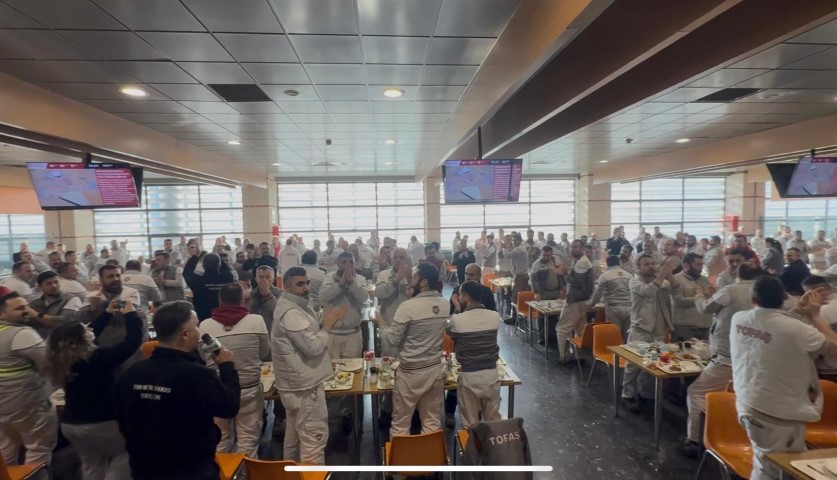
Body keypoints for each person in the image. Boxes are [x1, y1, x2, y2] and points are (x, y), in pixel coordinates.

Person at [114, 301, 240, 480]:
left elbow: (121, 417)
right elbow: (229, 406)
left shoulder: (133, 373)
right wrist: (227, 367)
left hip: (145, 469)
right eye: (196, 326)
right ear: (185, 334)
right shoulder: (197, 375)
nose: (199, 332)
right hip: (192, 469)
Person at [730, 276, 837, 480]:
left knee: (766, 463)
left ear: (753, 300)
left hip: (749, 403)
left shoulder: (739, 319)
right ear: (784, 298)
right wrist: (815, 316)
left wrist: (800, 311)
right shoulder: (797, 330)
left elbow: (775, 324)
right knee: (773, 470)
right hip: (778, 415)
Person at [45, 299, 142, 480]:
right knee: (124, 455)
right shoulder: (98, 358)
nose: (89, 329)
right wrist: (130, 314)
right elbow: (132, 342)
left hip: (70, 423)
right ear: (81, 340)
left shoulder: (62, 360)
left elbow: (87, 332)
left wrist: (107, 313)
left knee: (91, 465)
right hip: (102, 422)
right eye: (86, 330)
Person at [680, 263, 761, 457]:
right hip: (751, 357)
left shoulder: (730, 290)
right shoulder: (760, 292)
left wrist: (699, 294)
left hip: (726, 356)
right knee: (734, 394)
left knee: (696, 392)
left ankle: (695, 440)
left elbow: (704, 308)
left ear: (736, 272)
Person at [271, 267, 346, 464]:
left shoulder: (296, 304)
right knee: (313, 440)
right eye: (300, 284)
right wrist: (327, 327)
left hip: (296, 385)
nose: (306, 288)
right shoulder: (291, 312)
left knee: (294, 437)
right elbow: (312, 347)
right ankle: (311, 475)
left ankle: (292, 476)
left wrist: (323, 321)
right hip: (304, 388)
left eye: (307, 283)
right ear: (287, 287)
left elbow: (306, 335)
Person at [375, 263, 448, 438]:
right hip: (434, 369)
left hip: (410, 372)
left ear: (423, 282)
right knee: (431, 422)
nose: (410, 281)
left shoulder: (406, 307)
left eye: (414, 277)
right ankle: (431, 455)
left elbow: (393, 339)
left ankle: (401, 455)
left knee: (400, 423)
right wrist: (411, 299)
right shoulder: (444, 304)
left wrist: (381, 324)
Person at [200, 284, 270, 458]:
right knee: (248, 439)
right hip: (249, 387)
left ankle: (222, 471)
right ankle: (246, 470)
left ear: (220, 300)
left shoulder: (205, 326)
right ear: (242, 299)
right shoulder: (256, 321)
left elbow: (203, 357)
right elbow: (264, 353)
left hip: (218, 389)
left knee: (221, 440)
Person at [0, 292, 58, 470]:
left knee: (6, 451)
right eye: (19, 308)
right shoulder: (22, 334)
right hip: (27, 405)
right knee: (39, 448)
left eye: (26, 306)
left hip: (4, 408)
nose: (27, 311)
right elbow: (49, 364)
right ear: (2, 314)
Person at [622, 253, 678, 412]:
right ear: (639, 268)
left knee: (653, 364)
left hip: (659, 330)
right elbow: (648, 291)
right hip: (640, 329)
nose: (650, 267)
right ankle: (628, 395)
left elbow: (676, 289)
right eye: (646, 264)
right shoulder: (634, 282)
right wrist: (662, 274)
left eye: (653, 263)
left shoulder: (663, 282)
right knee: (633, 364)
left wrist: (670, 274)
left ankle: (646, 395)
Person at [447, 280, 502, 428]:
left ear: (466, 297)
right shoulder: (494, 316)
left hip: (469, 376)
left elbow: (451, 333)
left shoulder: (457, 319)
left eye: (460, 296)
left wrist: (457, 309)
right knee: (493, 423)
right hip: (491, 375)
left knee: (471, 424)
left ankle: (473, 444)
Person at [556, 240, 594, 365]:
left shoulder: (582, 262)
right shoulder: (580, 261)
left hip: (575, 301)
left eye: (576, 247)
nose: (572, 249)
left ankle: (564, 356)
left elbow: (577, 282)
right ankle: (579, 355)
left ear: (582, 249)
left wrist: (564, 273)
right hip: (583, 300)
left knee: (562, 328)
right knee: (579, 328)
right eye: (572, 246)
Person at [670, 253, 713, 341]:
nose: (701, 268)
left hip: (705, 327)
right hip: (685, 327)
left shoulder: (704, 280)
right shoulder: (676, 279)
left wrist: (712, 296)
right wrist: (701, 296)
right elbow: (679, 301)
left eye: (702, 264)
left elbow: (708, 302)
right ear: (686, 265)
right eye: (698, 265)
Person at [28, 271, 82, 339]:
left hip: (64, 340)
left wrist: (37, 315)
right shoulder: (35, 304)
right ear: (40, 287)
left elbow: (65, 322)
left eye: (56, 282)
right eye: (49, 283)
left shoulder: (71, 299)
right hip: (39, 340)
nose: (54, 286)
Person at [529, 246, 566, 344]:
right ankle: (542, 337)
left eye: (548, 255)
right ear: (541, 254)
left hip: (556, 292)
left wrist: (563, 286)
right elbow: (533, 280)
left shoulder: (556, 261)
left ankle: (552, 336)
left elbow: (561, 275)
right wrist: (536, 292)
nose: (546, 257)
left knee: (554, 315)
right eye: (544, 255)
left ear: (551, 254)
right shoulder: (536, 264)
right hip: (543, 293)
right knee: (542, 316)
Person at [591, 256, 633, 340]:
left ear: (607, 264)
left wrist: (592, 303)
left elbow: (598, 293)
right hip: (630, 307)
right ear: (619, 263)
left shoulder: (605, 276)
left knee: (615, 335)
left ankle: (616, 349)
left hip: (613, 308)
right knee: (627, 336)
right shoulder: (629, 275)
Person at [184, 252, 235, 322]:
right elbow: (226, 269)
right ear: (219, 265)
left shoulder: (196, 281)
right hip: (223, 315)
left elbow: (187, 272)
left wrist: (196, 257)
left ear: (203, 266)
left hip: (202, 316)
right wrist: (218, 257)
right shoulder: (227, 278)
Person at [248, 266, 282, 331]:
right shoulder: (251, 294)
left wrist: (268, 294)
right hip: (254, 331)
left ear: (273, 279)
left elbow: (279, 313)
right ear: (256, 279)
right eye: (261, 277)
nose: (264, 280)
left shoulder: (280, 294)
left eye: (267, 277)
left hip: (272, 332)